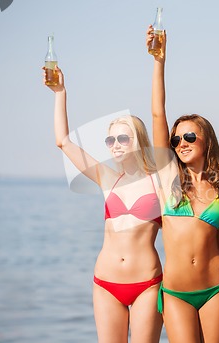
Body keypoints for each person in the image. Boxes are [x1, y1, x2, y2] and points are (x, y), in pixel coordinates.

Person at [44, 67, 163, 343]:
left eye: (123, 138)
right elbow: (62, 141)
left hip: (147, 284)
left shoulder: (159, 182)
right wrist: (60, 92)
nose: (116, 145)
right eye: (111, 140)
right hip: (105, 284)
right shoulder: (107, 178)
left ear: (139, 141)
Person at [147, 26, 219, 343]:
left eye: (190, 136)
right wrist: (159, 61)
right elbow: (157, 113)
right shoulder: (167, 179)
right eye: (177, 139)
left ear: (206, 140)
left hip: (217, 289)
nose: (182, 142)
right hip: (176, 292)